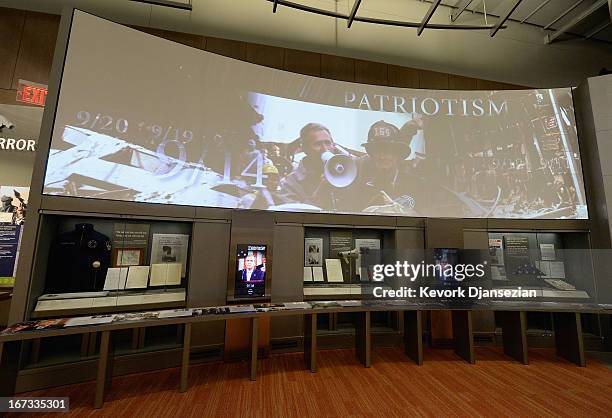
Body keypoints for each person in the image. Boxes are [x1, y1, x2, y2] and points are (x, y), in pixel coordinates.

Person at [352, 120, 426, 215]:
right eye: (377, 151)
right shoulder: (359, 188)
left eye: (388, 150)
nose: (382, 156)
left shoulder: (417, 185)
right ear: (372, 155)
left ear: (398, 153)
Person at [278, 123, 344, 210]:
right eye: (317, 144)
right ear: (305, 149)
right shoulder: (290, 183)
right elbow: (293, 217)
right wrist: (320, 193)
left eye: (328, 143)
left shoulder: (345, 170)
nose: (325, 149)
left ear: (333, 145)